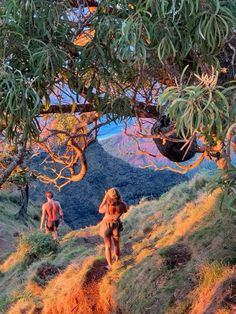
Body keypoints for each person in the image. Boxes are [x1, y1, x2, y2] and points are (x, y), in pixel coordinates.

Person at [99, 188, 127, 270]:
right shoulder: (122, 205)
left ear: (109, 196)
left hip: (106, 225)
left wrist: (105, 197)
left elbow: (100, 209)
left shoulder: (107, 206)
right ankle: (117, 260)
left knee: (107, 246)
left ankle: (110, 265)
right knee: (116, 244)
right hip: (116, 224)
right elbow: (125, 211)